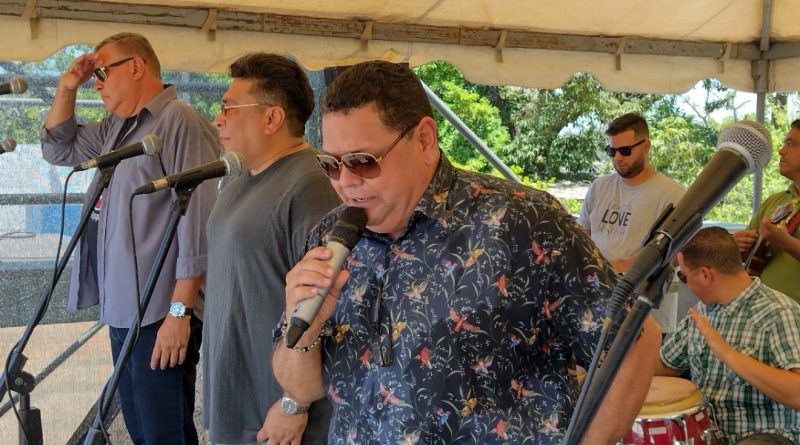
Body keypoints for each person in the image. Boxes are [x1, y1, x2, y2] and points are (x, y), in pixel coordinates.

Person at [272, 60, 660, 445]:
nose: (345, 182)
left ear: (424, 139)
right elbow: (301, 390)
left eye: (362, 162)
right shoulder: (329, 235)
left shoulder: (523, 220)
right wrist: (304, 328)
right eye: (331, 165)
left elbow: (634, 340)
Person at [41, 33, 218, 444]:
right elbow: (57, 150)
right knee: (141, 431)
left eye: (102, 72)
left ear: (136, 66)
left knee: (164, 433)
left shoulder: (179, 121)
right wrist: (67, 86)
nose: (96, 84)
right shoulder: (115, 128)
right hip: (123, 308)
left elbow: (198, 223)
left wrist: (179, 313)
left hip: (160, 311)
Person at [202, 53, 339, 445]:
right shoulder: (237, 180)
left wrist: (294, 403)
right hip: (235, 399)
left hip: (275, 417)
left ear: (272, 118)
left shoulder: (312, 183)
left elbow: (327, 306)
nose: (218, 119)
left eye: (228, 108)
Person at [656, 226, 800, 445]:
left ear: (705, 274)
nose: (687, 284)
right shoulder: (702, 312)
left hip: (766, 436)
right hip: (707, 435)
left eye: (684, 276)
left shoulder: (779, 312)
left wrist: (729, 355)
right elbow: (663, 366)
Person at [578, 113, 683, 273]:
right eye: (611, 151)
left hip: (638, 284)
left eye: (625, 150)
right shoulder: (599, 187)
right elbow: (582, 236)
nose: (617, 157)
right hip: (595, 281)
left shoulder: (671, 193)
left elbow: (676, 252)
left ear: (646, 146)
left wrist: (626, 268)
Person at [734, 119, 800, 303]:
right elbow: (748, 255)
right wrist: (738, 245)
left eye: (791, 143)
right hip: (761, 312)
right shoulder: (775, 200)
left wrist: (785, 242)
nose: (781, 150)